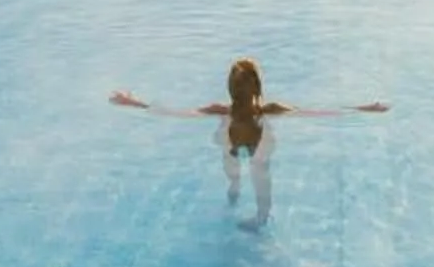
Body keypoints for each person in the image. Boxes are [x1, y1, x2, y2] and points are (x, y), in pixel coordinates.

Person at [111, 58, 388, 231]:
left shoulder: (223, 110)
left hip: (232, 147)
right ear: (258, 88)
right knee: (261, 177)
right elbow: (320, 111)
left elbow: (173, 112)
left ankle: (233, 186)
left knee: (230, 163)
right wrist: (365, 108)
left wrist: (132, 102)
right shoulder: (269, 109)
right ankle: (261, 216)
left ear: (230, 89)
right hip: (259, 151)